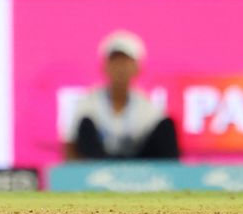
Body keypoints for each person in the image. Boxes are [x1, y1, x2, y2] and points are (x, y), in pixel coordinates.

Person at [64, 31, 179, 161]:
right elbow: (71, 146)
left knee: (166, 127)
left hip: (137, 165)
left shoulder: (147, 107)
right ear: (105, 66)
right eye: (115, 61)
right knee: (85, 125)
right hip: (97, 165)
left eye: (125, 62)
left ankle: (167, 179)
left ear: (137, 68)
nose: (120, 68)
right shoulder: (88, 103)